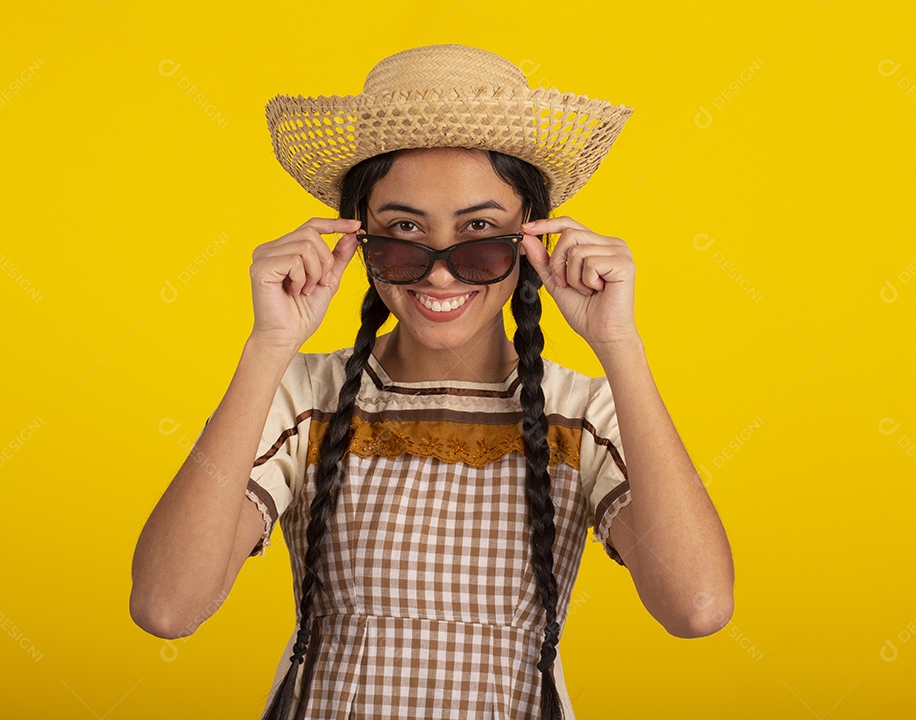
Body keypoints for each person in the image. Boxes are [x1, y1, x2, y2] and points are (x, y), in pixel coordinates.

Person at [130, 44, 734, 720]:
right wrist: (267, 347)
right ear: (358, 240)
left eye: (479, 233)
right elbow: (166, 607)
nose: (439, 272)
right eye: (403, 232)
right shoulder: (303, 400)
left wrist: (619, 346)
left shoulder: (581, 414)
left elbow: (697, 607)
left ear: (531, 241)